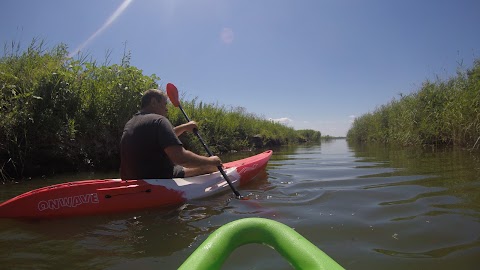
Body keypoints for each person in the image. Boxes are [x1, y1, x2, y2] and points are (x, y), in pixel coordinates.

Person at [120, 89, 222, 179]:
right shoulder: (160, 120)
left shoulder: (131, 122)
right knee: (209, 166)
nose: (166, 109)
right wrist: (211, 161)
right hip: (160, 177)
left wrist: (185, 127)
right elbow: (181, 158)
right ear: (154, 102)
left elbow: (165, 137)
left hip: (131, 178)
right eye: (165, 104)